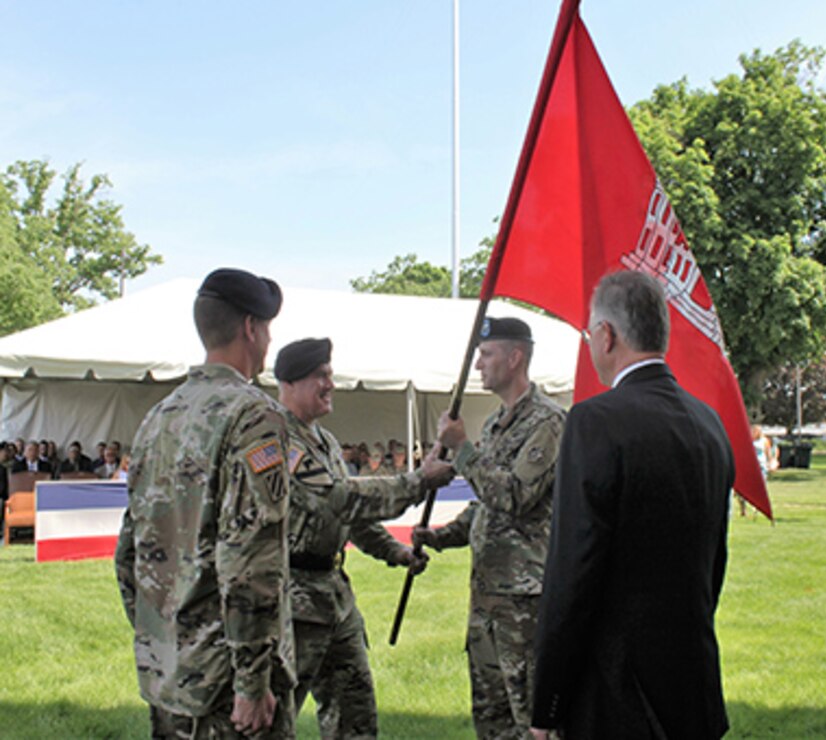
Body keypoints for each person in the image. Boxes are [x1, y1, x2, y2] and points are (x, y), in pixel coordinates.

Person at [530, 271, 734, 739]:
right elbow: (713, 564)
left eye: (589, 334)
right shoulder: (709, 423)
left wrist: (548, 704)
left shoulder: (593, 421)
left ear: (606, 336)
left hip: (617, 695)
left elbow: (572, 574)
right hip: (693, 682)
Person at [114, 267, 297, 738]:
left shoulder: (159, 416)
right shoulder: (254, 415)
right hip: (226, 687)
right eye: (268, 328)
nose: (269, 340)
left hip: (169, 673)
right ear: (251, 329)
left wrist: (162, 642)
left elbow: (128, 552)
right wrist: (253, 683)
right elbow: (251, 561)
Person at [274, 337, 454, 739]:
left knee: (354, 715)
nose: (330, 384)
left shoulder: (324, 442)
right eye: (321, 376)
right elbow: (336, 498)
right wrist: (417, 482)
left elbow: (352, 517)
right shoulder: (277, 440)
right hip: (293, 604)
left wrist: (397, 553)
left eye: (330, 375)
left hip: (335, 601)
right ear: (289, 382)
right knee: (273, 720)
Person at [413, 316, 566, 739]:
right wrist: (440, 537)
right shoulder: (496, 424)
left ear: (515, 358)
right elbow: (486, 506)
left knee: (532, 719)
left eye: (486, 354)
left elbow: (514, 496)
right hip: (486, 599)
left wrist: (462, 448)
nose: (478, 365)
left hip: (523, 603)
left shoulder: (547, 423)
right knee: (492, 719)